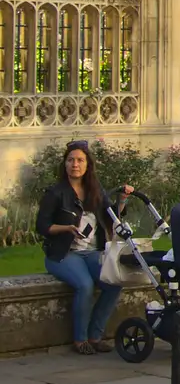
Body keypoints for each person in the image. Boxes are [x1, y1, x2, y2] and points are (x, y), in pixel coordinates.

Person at [36, 141, 135, 355]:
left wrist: (123, 200)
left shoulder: (95, 190)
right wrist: (66, 228)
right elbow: (42, 226)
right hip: (62, 254)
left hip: (91, 253)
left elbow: (112, 217)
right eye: (70, 160)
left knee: (114, 282)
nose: (75, 164)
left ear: (87, 165)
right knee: (85, 285)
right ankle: (80, 340)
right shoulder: (56, 192)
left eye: (80, 160)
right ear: (65, 164)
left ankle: (95, 336)